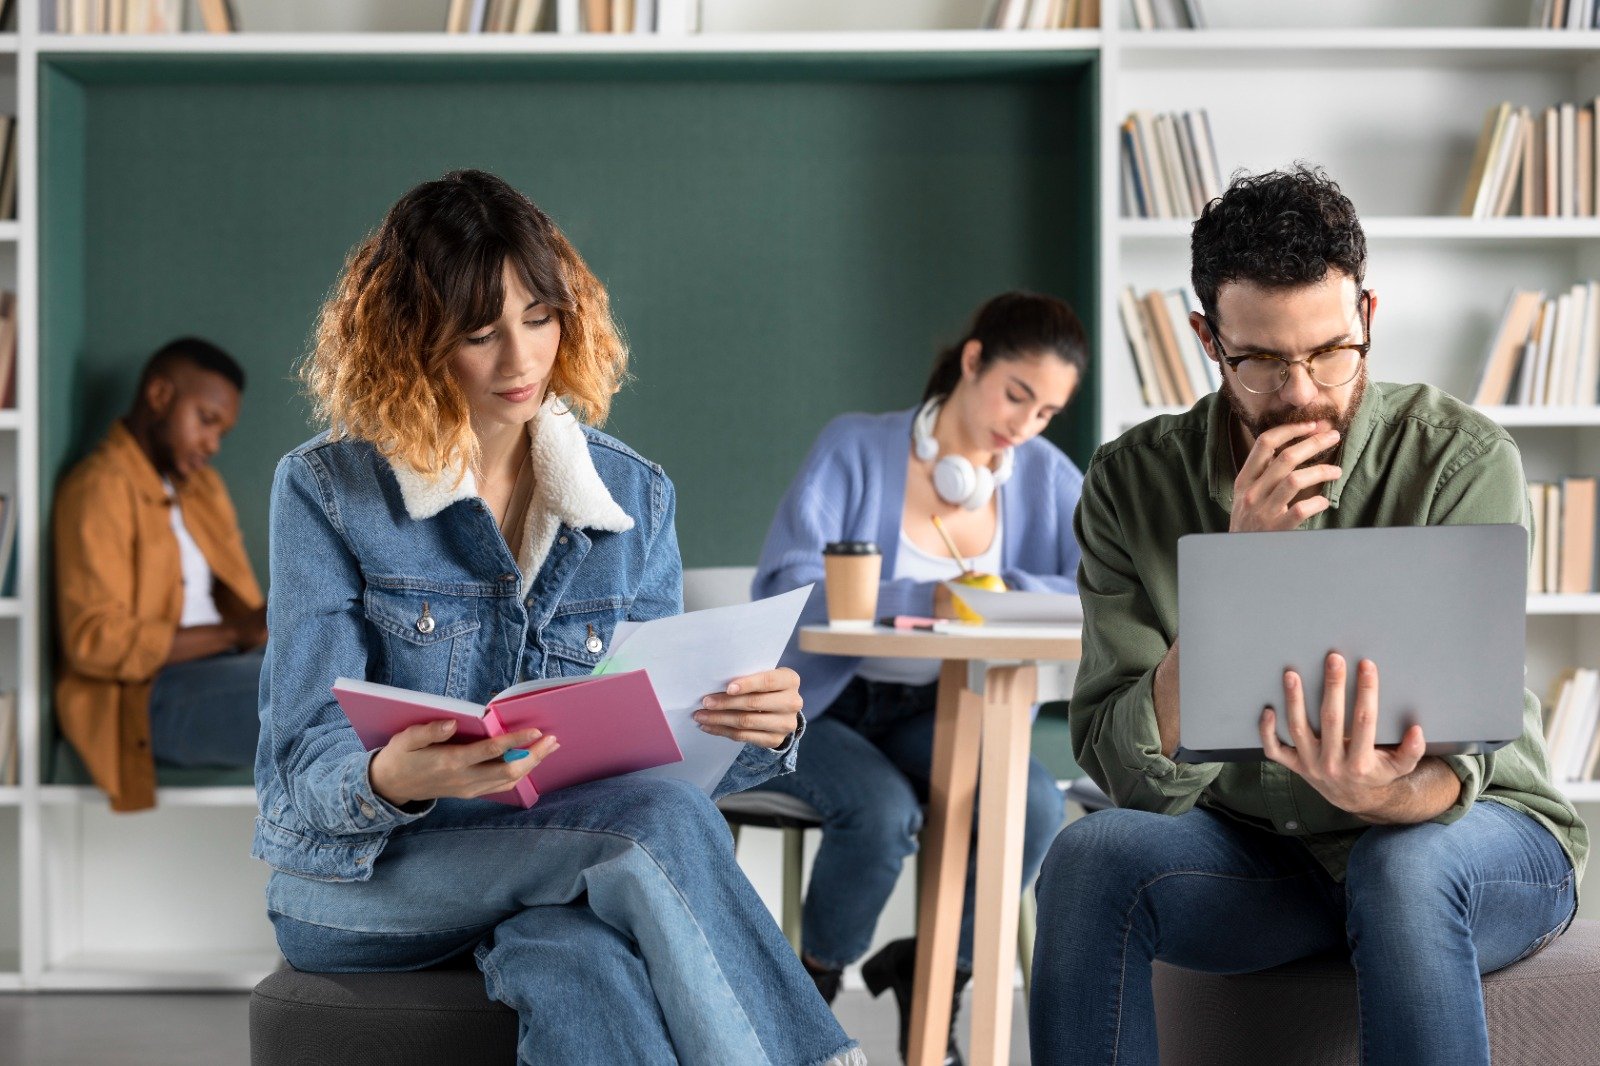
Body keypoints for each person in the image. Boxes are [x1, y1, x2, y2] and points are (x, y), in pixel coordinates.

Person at [254, 170, 861, 1066]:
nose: (521, 360)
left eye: (539, 317)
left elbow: (662, 765)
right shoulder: (326, 489)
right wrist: (390, 777)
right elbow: (301, 761)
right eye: (480, 333)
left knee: (580, 958)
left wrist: (757, 730)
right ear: (411, 340)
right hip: (368, 880)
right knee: (649, 828)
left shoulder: (632, 495)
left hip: (574, 858)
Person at [1029, 166, 1588, 1066]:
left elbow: (1467, 761)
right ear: (1209, 340)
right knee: (1087, 861)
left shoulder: (1461, 460)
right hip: (1264, 859)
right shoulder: (1131, 483)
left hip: (1466, 836)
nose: (1302, 392)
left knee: (1399, 867)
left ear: (1367, 314)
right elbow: (1129, 769)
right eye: (1261, 363)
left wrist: (1383, 795)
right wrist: (1239, 575)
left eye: (1331, 352)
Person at [752, 291, 1088, 1064]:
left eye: (1046, 412)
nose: (1025, 424)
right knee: (879, 814)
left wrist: (993, 595)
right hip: (821, 703)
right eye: (1016, 395)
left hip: (940, 706)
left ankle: (939, 977)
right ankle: (810, 998)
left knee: (1033, 802)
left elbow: (1103, 580)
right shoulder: (856, 446)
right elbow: (786, 584)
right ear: (973, 361)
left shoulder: (1041, 476)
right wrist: (921, 599)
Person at [54, 336, 266, 813]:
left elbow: (246, 614)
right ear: (159, 395)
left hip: (225, 665)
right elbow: (94, 641)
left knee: (350, 668)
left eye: (222, 432)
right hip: (145, 695)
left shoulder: (203, 488)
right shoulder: (99, 488)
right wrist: (236, 631)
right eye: (206, 420)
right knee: (309, 696)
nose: (212, 444)